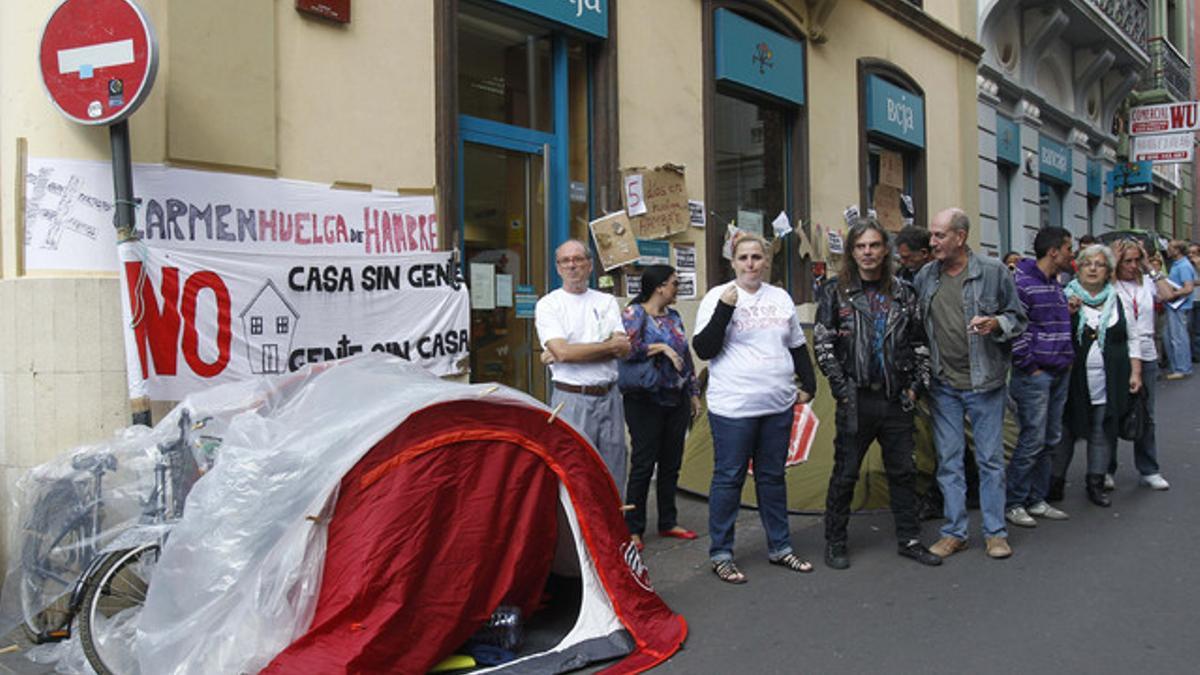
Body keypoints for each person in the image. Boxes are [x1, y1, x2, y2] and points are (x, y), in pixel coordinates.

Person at [813, 218, 941, 570]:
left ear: (885, 250)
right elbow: (823, 345)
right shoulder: (833, 292)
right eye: (860, 246)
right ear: (852, 252)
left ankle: (910, 539)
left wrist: (915, 388)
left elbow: (919, 344)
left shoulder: (904, 292)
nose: (867, 253)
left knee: (903, 471)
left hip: (897, 398)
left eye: (874, 245)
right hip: (855, 397)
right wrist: (842, 391)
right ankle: (835, 541)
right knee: (846, 473)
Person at [693, 233, 818, 583]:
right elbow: (704, 349)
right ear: (733, 262)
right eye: (744, 257)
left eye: (757, 257)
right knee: (729, 478)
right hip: (733, 407)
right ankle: (721, 552)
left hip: (777, 404)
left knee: (772, 477)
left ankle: (780, 546)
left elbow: (796, 345)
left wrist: (809, 384)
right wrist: (725, 310)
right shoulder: (719, 296)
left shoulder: (780, 297)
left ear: (766, 261)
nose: (751, 264)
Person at [913, 208, 1026, 561]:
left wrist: (996, 324)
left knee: (990, 460)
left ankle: (995, 533)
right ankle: (955, 532)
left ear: (960, 237)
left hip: (985, 383)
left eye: (939, 236)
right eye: (932, 236)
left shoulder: (993, 272)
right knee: (949, 461)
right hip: (943, 384)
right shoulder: (925, 277)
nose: (932, 243)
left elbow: (1018, 318)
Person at [536, 240, 631, 494]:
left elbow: (624, 348)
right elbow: (564, 352)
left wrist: (574, 351)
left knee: (614, 471)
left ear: (590, 265)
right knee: (575, 472)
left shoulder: (606, 302)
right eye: (565, 261)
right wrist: (606, 347)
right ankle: (580, 534)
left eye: (578, 259)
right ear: (558, 268)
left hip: (609, 396)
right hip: (572, 399)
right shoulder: (549, 305)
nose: (572, 266)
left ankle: (613, 532)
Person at [618, 264, 703, 551]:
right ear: (659, 287)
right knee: (643, 463)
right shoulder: (634, 314)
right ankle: (633, 528)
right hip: (644, 399)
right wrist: (662, 349)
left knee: (671, 463)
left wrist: (693, 393)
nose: (677, 288)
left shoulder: (674, 316)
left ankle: (668, 521)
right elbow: (626, 349)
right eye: (674, 284)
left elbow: (686, 356)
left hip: (675, 398)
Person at [1051, 244, 1142, 507]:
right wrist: (1067, 314)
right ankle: (1055, 482)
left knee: (1102, 430)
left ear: (1108, 271)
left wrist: (1135, 372)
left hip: (1109, 379)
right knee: (1066, 430)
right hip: (1072, 380)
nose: (1093, 268)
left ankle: (1096, 483)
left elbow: (1132, 338)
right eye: (1088, 263)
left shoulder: (1118, 299)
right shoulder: (1065, 296)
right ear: (1078, 268)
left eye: (1099, 264)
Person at [1004, 227, 1074, 528]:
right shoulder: (1021, 282)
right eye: (1069, 248)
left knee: (1049, 439)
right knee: (1032, 439)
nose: (1073, 255)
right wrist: (1030, 366)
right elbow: (1014, 328)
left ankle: (1036, 498)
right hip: (1035, 375)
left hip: (1058, 371)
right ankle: (1014, 502)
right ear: (1054, 251)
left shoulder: (1056, 283)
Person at [1108, 239, 1171, 491]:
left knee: (1146, 414)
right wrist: (1111, 264)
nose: (1133, 266)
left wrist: (1149, 267)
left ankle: (1149, 469)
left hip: (1146, 353)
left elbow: (1167, 294)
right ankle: (1106, 469)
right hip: (1117, 354)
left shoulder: (1146, 284)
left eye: (1137, 260)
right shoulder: (1111, 285)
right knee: (1112, 412)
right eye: (1128, 261)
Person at [1161, 240, 1194, 379]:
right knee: (1169, 336)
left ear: (1177, 250)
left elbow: (1188, 288)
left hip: (1179, 306)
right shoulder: (1178, 265)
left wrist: (1171, 294)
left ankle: (1182, 368)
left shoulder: (1183, 266)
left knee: (1178, 338)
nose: (1167, 249)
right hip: (1174, 306)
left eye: (1170, 248)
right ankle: (1176, 367)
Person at [1189, 242, 1200, 363]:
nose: (1191, 256)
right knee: (1188, 329)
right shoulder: (1186, 265)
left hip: (1199, 299)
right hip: (1189, 299)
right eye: (1189, 253)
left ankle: (1197, 354)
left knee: (1198, 330)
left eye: (1194, 253)